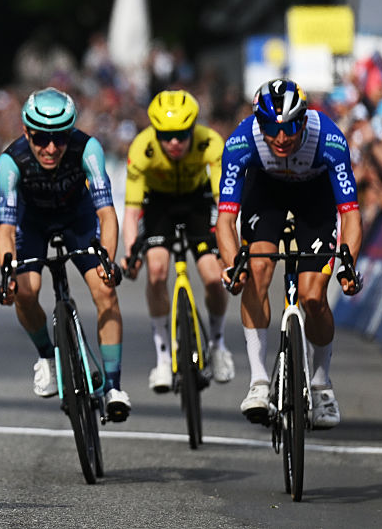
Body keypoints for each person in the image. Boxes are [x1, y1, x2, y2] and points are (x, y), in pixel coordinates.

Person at [218, 78, 363, 429]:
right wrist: (231, 265)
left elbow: (352, 216)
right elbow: (225, 219)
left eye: (290, 128)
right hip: (265, 193)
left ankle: (322, 384)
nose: (281, 138)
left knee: (314, 299)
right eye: (271, 128)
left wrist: (347, 265)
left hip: (315, 197)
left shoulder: (328, 139)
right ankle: (258, 382)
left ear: (304, 119)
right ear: (258, 123)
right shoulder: (241, 140)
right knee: (256, 273)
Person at [0, 87, 131, 422]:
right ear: (27, 132)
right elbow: (7, 230)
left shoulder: (88, 149)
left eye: (60, 138)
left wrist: (107, 261)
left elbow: (107, 214)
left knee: (105, 290)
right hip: (33, 224)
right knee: (25, 292)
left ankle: (113, 386)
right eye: (41, 138)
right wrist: (8, 275)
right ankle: (48, 358)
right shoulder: (10, 163)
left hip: (78, 219)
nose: (52, 148)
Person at [120, 90, 234, 393]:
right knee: (156, 271)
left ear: (193, 128)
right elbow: (131, 213)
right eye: (166, 135)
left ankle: (219, 344)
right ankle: (161, 359)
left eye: (181, 134)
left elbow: (226, 206)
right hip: (159, 205)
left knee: (213, 276)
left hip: (199, 202)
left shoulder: (209, 142)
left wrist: (230, 251)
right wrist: (131, 253)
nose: (174, 142)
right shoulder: (142, 147)